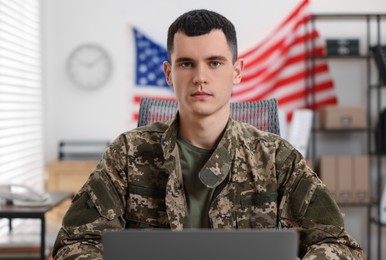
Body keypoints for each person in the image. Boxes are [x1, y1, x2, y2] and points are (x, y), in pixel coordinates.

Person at [52, 9, 363, 260]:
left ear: (237, 71)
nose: (200, 78)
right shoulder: (127, 154)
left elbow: (338, 244)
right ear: (168, 73)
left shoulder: (277, 158)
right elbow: (75, 243)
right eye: (186, 64)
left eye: (215, 63)